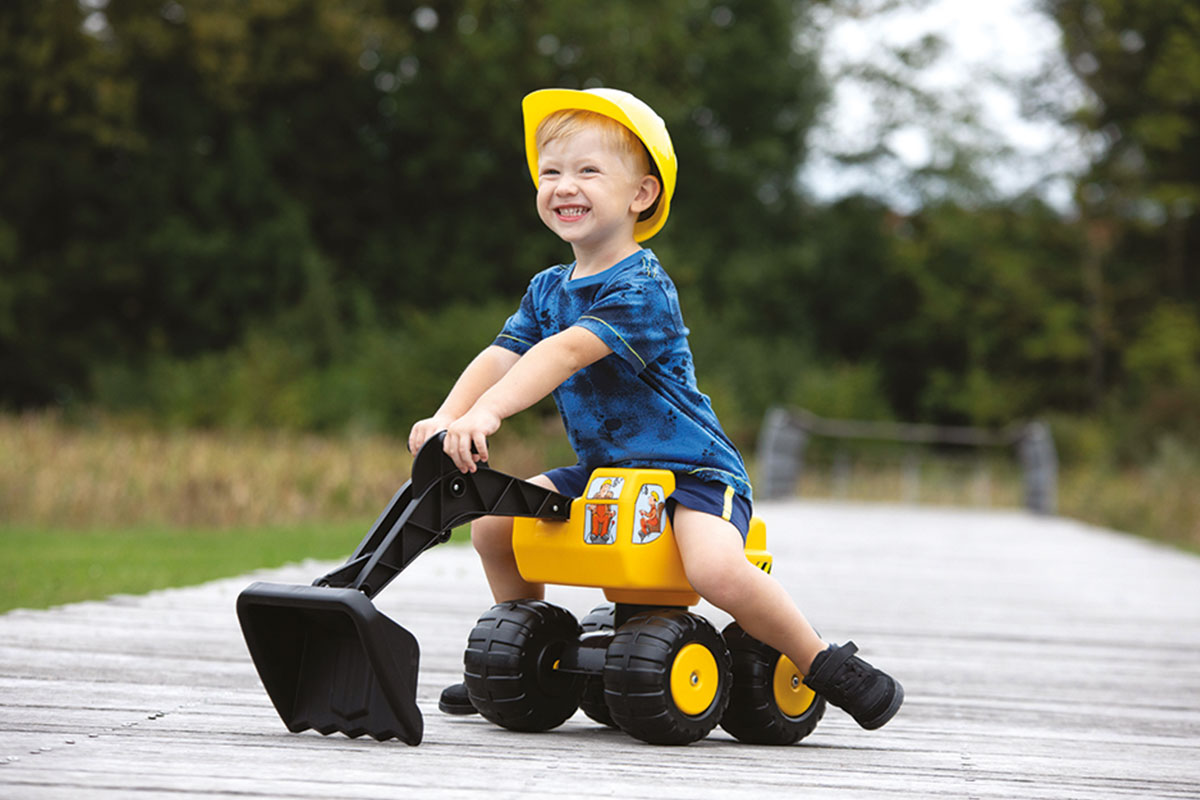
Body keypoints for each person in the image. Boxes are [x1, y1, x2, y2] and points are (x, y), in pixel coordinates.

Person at [408, 87, 903, 731]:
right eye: (551, 171)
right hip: (605, 471)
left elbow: (561, 355)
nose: (564, 185)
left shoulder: (642, 287)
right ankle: (521, 648)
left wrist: (489, 416)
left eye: (588, 171)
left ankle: (820, 660)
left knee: (716, 570)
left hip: (691, 472)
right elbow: (503, 354)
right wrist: (449, 413)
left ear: (641, 195)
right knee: (494, 524)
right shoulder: (547, 287)